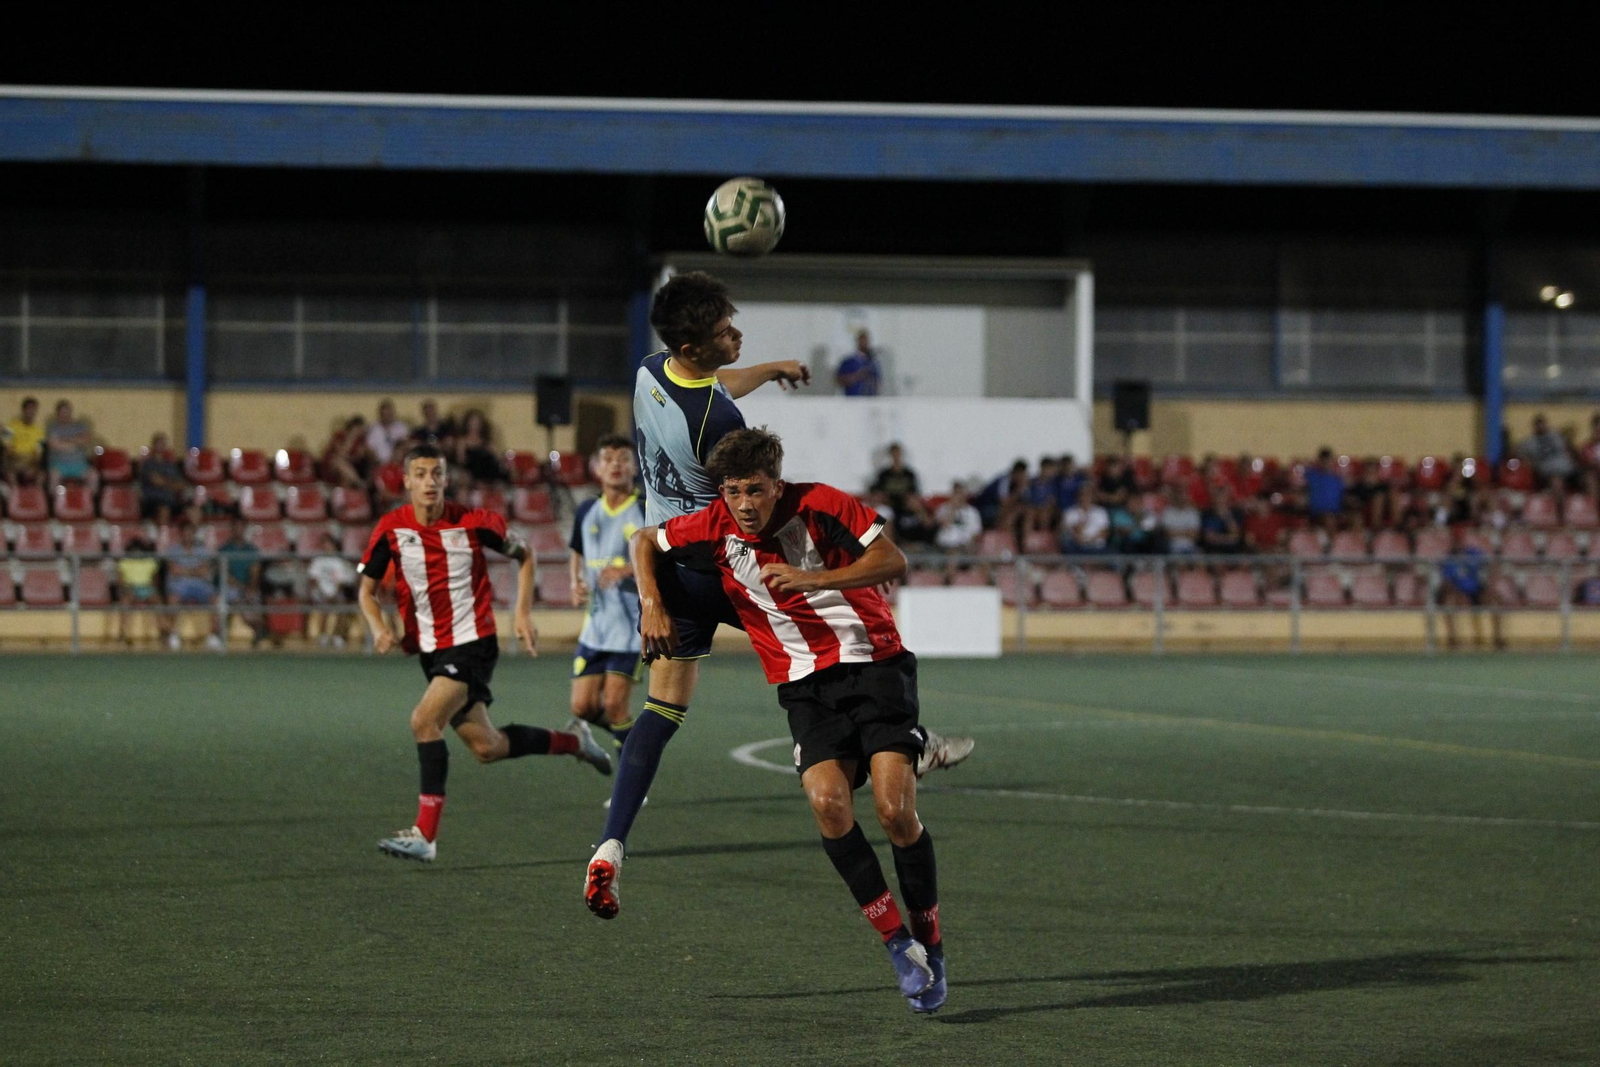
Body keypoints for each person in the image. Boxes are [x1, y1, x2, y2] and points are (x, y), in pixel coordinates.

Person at [586, 271, 974, 920]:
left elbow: (706, 393)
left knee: (662, 710)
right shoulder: (722, 424)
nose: (736, 335)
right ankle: (909, 737)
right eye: (723, 333)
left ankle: (610, 846)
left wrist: (764, 368)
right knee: (840, 624)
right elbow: (728, 434)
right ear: (694, 348)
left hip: (670, 567)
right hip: (727, 566)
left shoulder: (651, 370)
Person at [625, 428, 949, 1012]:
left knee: (895, 811)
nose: (744, 504)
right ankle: (899, 945)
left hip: (873, 662)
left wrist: (814, 579)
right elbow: (644, 538)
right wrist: (651, 601)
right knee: (828, 805)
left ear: (778, 484)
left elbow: (892, 558)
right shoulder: (716, 525)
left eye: (755, 490)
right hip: (803, 685)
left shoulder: (822, 503)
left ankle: (932, 942)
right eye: (732, 491)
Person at [356, 444, 612, 863]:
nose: (429, 482)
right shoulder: (391, 529)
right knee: (487, 747)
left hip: (473, 641)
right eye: (420, 474)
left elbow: (525, 554)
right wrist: (379, 627)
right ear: (406, 481)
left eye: (436, 473)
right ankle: (573, 741)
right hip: (431, 650)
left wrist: (523, 613)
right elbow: (365, 591)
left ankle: (425, 835)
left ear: (446, 479)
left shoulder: (474, 522)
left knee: (423, 721)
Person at [568, 435, 645, 755]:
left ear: (635, 467)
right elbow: (577, 550)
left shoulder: (643, 509)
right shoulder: (587, 509)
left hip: (629, 630)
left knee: (615, 704)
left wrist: (625, 570)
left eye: (623, 458)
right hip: (595, 628)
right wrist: (575, 582)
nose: (616, 464)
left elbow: (661, 557)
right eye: (609, 458)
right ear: (597, 468)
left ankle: (632, 784)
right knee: (582, 707)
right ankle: (634, 744)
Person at [162, 520, 223, 651]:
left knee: (216, 598)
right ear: (180, 534)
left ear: (194, 534)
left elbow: (204, 571)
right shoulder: (173, 550)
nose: (187, 535)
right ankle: (173, 636)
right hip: (180, 586)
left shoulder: (202, 550)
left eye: (190, 532)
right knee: (173, 598)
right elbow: (174, 570)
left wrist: (184, 570)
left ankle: (212, 636)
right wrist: (194, 570)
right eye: (185, 533)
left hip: (200, 586)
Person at [217, 518, 268, 647]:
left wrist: (250, 588)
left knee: (254, 598)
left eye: (241, 527)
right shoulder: (224, 549)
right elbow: (224, 574)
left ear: (245, 529)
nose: (238, 530)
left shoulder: (251, 550)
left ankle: (262, 630)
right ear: (232, 529)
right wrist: (242, 588)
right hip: (230, 587)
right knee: (237, 599)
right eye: (236, 527)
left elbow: (255, 572)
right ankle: (263, 628)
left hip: (248, 588)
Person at [870, 443, 934, 544]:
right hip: (890, 506)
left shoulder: (909, 474)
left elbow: (914, 494)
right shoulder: (884, 474)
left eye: (898, 453)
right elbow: (879, 494)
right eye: (894, 454)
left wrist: (913, 505)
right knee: (885, 514)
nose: (896, 456)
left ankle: (927, 541)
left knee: (923, 515)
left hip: (906, 506)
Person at [308, 532, 358, 647]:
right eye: (325, 544)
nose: (327, 547)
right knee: (323, 608)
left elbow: (342, 581)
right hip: (321, 592)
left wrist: (334, 594)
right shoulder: (317, 561)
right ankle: (324, 636)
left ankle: (337, 635)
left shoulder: (340, 561)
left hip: (336, 592)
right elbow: (313, 579)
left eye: (329, 544)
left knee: (342, 608)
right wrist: (322, 593)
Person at [115, 534, 161, 645]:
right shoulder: (124, 563)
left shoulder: (149, 562)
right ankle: (123, 634)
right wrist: (127, 587)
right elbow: (120, 581)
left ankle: (164, 632)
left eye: (139, 550)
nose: (137, 553)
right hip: (130, 589)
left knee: (157, 600)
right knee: (125, 601)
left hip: (146, 589)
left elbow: (155, 581)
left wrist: (150, 588)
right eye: (134, 550)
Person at [46, 399, 95, 491]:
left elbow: (85, 440)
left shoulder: (80, 426)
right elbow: (54, 445)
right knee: (54, 477)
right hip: (59, 465)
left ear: (70, 412)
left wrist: (65, 440)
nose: (64, 415)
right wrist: (75, 443)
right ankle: (53, 503)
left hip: (80, 465)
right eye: (62, 412)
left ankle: (90, 502)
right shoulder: (53, 428)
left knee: (93, 476)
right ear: (57, 413)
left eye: (66, 412)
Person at [139, 433, 188, 524]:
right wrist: (172, 484)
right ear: (153, 445)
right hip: (153, 501)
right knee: (164, 509)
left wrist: (165, 483)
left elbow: (182, 484)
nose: (161, 445)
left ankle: (194, 537)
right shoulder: (148, 464)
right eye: (159, 443)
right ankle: (163, 536)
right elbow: (156, 481)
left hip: (171, 500)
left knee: (192, 510)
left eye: (163, 443)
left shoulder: (170, 465)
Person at [1519, 414, 1577, 490]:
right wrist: (1532, 464)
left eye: (1542, 424)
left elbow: (1568, 448)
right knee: (1556, 480)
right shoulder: (1529, 442)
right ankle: (1559, 501)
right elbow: (1520, 455)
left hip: (1566, 467)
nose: (1540, 427)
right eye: (1538, 425)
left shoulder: (1557, 436)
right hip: (1546, 470)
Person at [451, 409, 506, 488]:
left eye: (477, 423)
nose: (474, 425)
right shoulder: (462, 442)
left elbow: (499, 458)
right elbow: (461, 462)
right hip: (471, 474)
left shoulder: (487, 442)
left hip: (487, 473)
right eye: (472, 422)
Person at [322, 416, 375, 490]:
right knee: (339, 462)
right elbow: (341, 455)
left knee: (346, 476)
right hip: (331, 467)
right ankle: (359, 483)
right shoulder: (339, 436)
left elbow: (357, 458)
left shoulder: (361, 441)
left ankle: (344, 496)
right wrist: (351, 437)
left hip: (348, 470)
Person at [3, 396, 45, 486]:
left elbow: (39, 452)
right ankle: (15, 495)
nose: (31, 412)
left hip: (30, 461)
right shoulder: (10, 426)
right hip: (14, 459)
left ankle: (36, 497)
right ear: (23, 410)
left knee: (41, 475)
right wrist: (17, 457)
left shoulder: (40, 431)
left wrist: (30, 462)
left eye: (34, 410)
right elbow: (6, 446)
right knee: (10, 471)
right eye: (29, 409)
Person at [933, 483, 982, 552]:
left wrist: (968, 544)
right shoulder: (943, 508)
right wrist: (953, 509)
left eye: (961, 493)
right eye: (956, 493)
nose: (959, 496)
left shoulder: (973, 512)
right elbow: (944, 525)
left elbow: (976, 533)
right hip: (944, 545)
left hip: (965, 546)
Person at [1304, 449, 1345, 528]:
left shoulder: (1337, 479)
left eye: (1328, 461)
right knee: (1329, 520)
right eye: (1323, 461)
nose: (1326, 463)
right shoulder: (1312, 476)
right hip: (1317, 512)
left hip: (1335, 512)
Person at [835, 329, 882, 396]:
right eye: (862, 340)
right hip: (853, 399)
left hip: (870, 399)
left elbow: (878, 381)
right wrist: (856, 376)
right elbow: (839, 380)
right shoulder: (848, 361)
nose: (864, 343)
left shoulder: (873, 362)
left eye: (866, 340)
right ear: (857, 341)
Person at [364, 399, 411, 466]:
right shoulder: (373, 429)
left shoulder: (401, 427)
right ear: (380, 414)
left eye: (389, 413)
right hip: (379, 463)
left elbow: (406, 444)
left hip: (399, 463)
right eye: (385, 414)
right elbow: (369, 448)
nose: (387, 416)